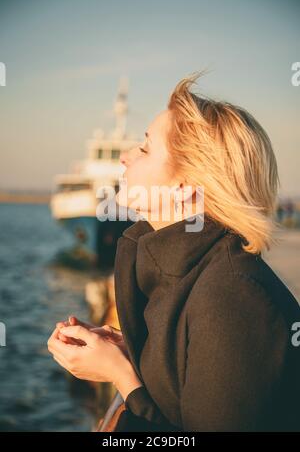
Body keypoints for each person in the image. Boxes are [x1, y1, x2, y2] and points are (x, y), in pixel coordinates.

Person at [48, 71, 300, 431]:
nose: (125, 156)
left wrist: (121, 375)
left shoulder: (233, 298)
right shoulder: (187, 271)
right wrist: (130, 351)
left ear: (184, 187)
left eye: (146, 147)